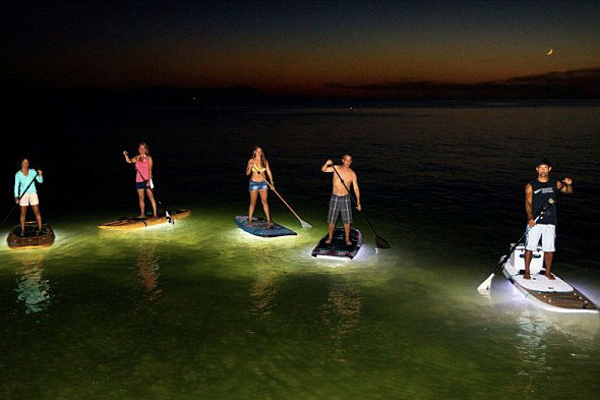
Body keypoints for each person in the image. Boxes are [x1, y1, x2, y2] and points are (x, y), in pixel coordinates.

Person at [524, 159, 573, 280]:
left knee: (549, 248)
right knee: (530, 247)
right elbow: (528, 203)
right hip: (535, 221)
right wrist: (530, 218)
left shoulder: (554, 183)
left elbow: (569, 191)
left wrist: (569, 184)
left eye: (545, 168)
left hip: (551, 220)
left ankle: (547, 272)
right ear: (537, 169)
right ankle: (527, 271)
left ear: (549, 169)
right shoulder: (531, 185)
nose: (543, 170)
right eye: (541, 168)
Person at [321, 154, 361, 246]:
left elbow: (356, 188)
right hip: (334, 197)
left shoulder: (352, 173)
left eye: (349, 161)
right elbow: (323, 170)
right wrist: (327, 163)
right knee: (331, 220)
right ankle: (330, 238)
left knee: (347, 221)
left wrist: (358, 202)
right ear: (342, 160)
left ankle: (347, 239)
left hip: (345, 198)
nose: (347, 162)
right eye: (346, 160)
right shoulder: (336, 168)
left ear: (351, 162)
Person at [123, 142, 158, 219]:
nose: (142, 149)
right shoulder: (137, 157)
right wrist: (126, 155)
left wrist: (149, 180)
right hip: (139, 180)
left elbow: (150, 170)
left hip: (147, 180)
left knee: (151, 197)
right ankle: (142, 214)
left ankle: (155, 214)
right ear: (138, 149)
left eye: (143, 148)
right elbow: (129, 161)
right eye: (140, 148)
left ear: (146, 149)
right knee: (141, 198)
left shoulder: (149, 158)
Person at [14, 158, 44, 235]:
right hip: (23, 194)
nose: (25, 164)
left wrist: (40, 175)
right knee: (23, 212)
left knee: (36, 211)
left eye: (27, 162)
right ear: (21, 164)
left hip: (33, 192)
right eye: (24, 162)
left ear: (28, 164)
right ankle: (23, 230)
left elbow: (40, 181)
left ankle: (40, 229)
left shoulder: (32, 171)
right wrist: (16, 197)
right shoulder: (18, 174)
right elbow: (16, 186)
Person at [246, 146, 274, 226]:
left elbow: (269, 172)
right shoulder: (251, 161)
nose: (259, 153)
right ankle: (250, 220)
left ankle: (269, 220)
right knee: (253, 202)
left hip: (263, 183)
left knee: (265, 201)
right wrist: (250, 166)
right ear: (254, 152)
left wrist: (272, 184)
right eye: (257, 151)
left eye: (260, 151)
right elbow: (247, 173)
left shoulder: (264, 161)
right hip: (254, 183)